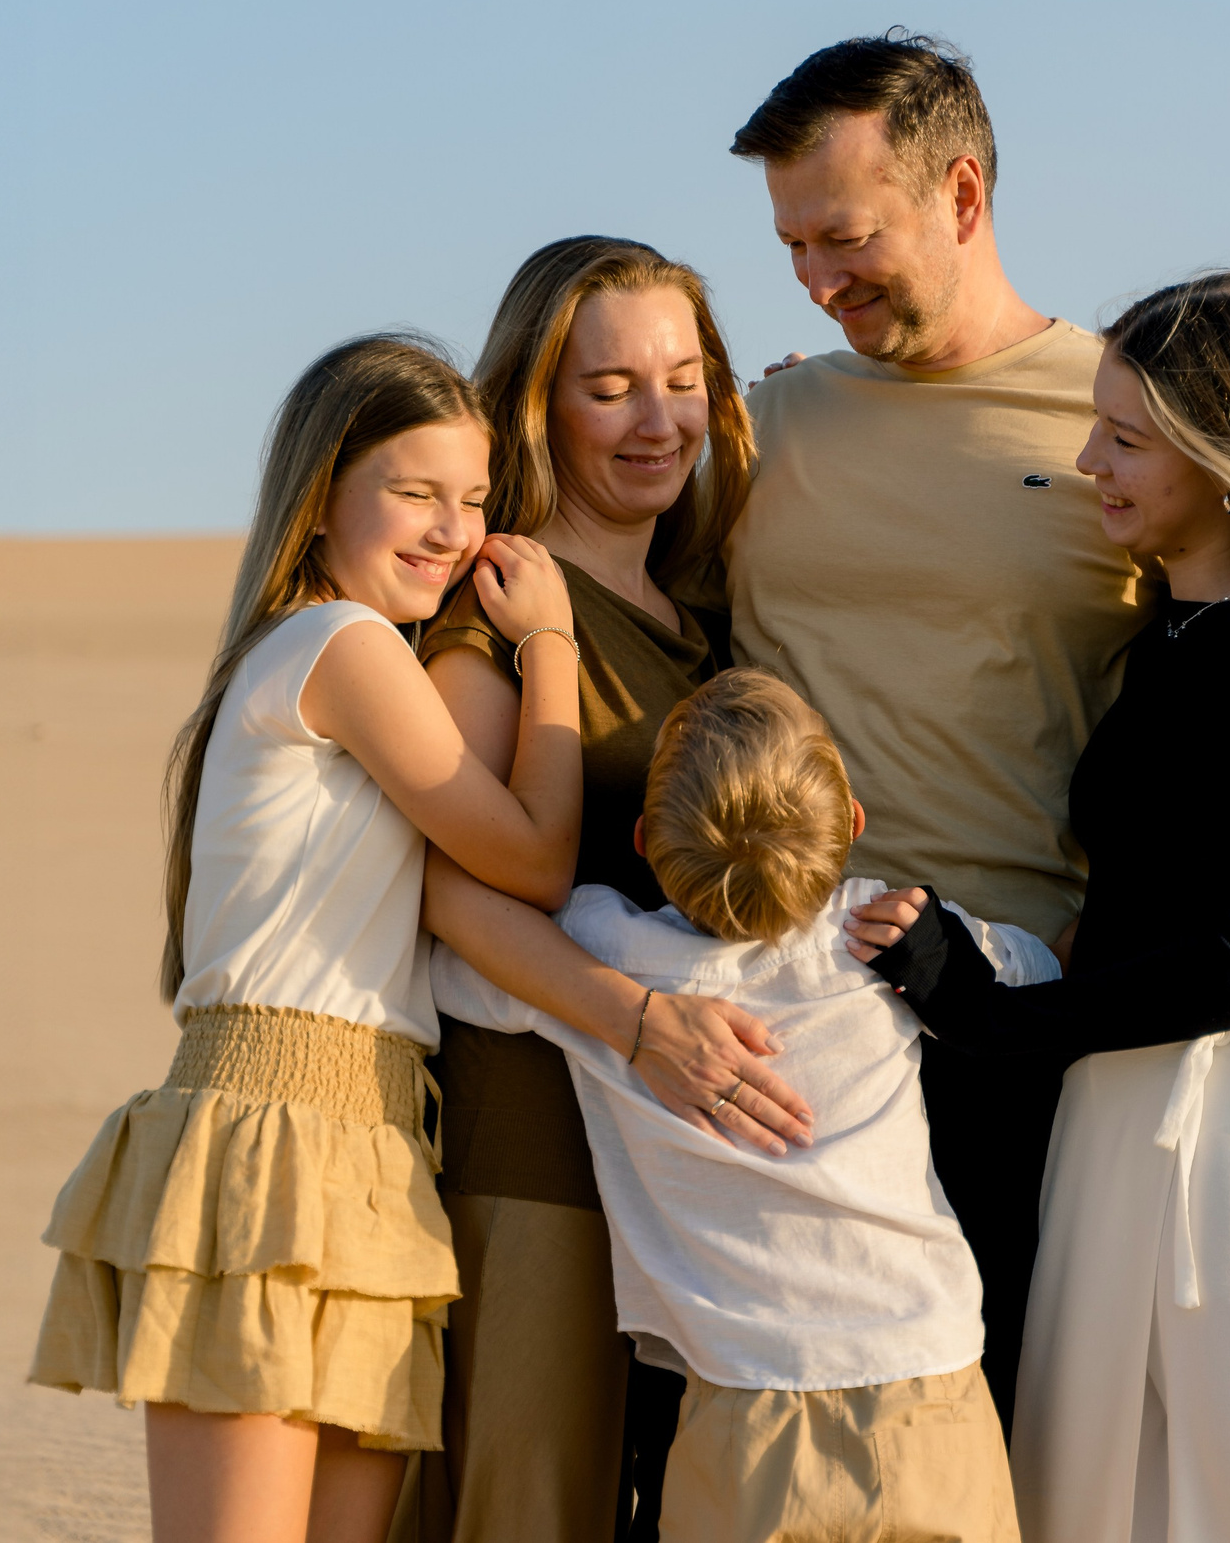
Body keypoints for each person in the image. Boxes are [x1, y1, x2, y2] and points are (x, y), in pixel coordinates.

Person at [720, 33, 1230, 1423]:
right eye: (792, 244)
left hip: (1033, 1029)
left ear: (962, 196)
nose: (816, 279)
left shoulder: (1132, 411)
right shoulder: (764, 422)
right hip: (790, 1024)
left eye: (847, 236)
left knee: (1029, 1454)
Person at [851, 272, 1230, 1541]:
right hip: (1134, 1122)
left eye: (1124, 438)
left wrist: (994, 1018)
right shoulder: (1176, 630)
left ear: (1227, 455)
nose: (1088, 461)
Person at [27, 335, 588, 1543]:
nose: (452, 529)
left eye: (475, 499)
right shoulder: (340, 645)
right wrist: (551, 641)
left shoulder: (352, 650)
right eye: (415, 491)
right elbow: (534, 857)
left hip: (378, 1153)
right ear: (323, 489)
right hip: (263, 1143)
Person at [434, 669, 1049, 1543]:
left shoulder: (607, 957)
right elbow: (1033, 972)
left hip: (740, 1410)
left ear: (644, 841)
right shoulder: (882, 932)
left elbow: (457, 961)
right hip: (929, 1387)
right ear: (855, 824)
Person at [405, 239, 811, 1543]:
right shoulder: (503, 607)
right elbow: (448, 895)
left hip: (682, 1166)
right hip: (539, 1141)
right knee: (530, 1505)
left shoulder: (700, 614)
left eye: (684, 379)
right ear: (537, 402)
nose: (659, 420)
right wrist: (641, 1022)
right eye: (612, 387)